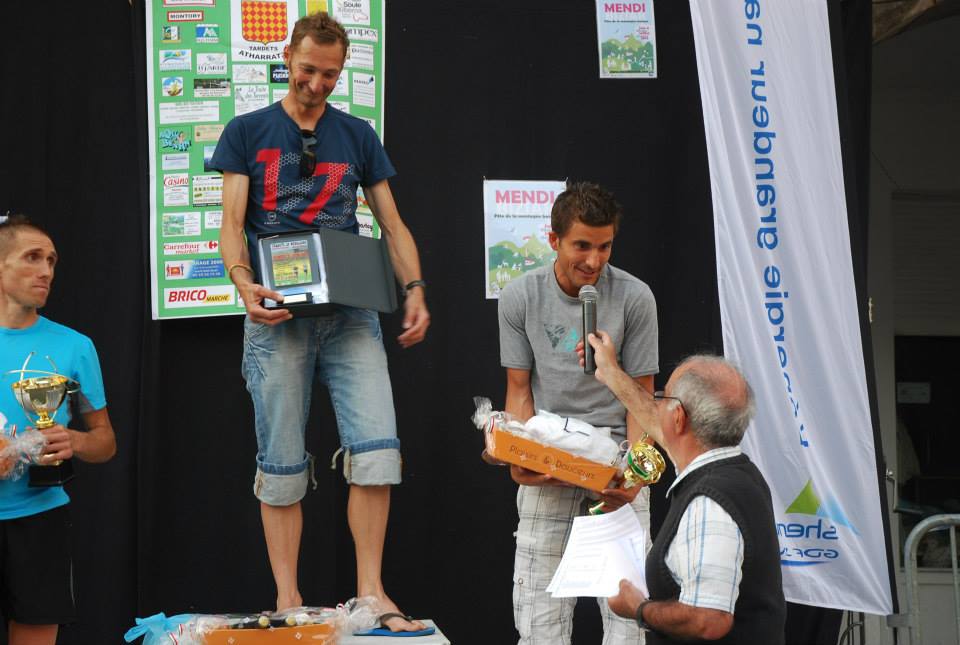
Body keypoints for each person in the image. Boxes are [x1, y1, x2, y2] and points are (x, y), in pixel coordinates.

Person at [210, 12, 430, 634]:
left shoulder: (356, 134)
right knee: (280, 460)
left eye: (330, 75)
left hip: (352, 313)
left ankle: (371, 594)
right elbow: (231, 224)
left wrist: (415, 288)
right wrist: (243, 283)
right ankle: (287, 599)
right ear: (287, 56)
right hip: (277, 315)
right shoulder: (247, 130)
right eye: (308, 70)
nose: (317, 84)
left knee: (379, 450)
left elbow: (392, 223)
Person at [497, 182, 659, 644]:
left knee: (629, 624)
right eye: (582, 246)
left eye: (604, 246)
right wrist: (519, 458)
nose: (593, 260)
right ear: (554, 239)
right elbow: (518, 391)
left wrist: (635, 476)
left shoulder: (635, 297)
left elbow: (643, 402)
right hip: (551, 458)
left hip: (617, 464)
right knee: (538, 621)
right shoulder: (520, 296)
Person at [583, 341, 786, 644]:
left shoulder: (709, 502)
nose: (656, 405)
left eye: (662, 397)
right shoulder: (736, 471)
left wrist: (639, 608)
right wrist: (610, 372)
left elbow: (709, 620)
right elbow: (662, 426)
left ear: (678, 417)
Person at [0, 214, 117, 645]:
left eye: (51, 260)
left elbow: (105, 441)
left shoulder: (75, 346)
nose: (46, 270)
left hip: (40, 518)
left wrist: (75, 440)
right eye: (32, 257)